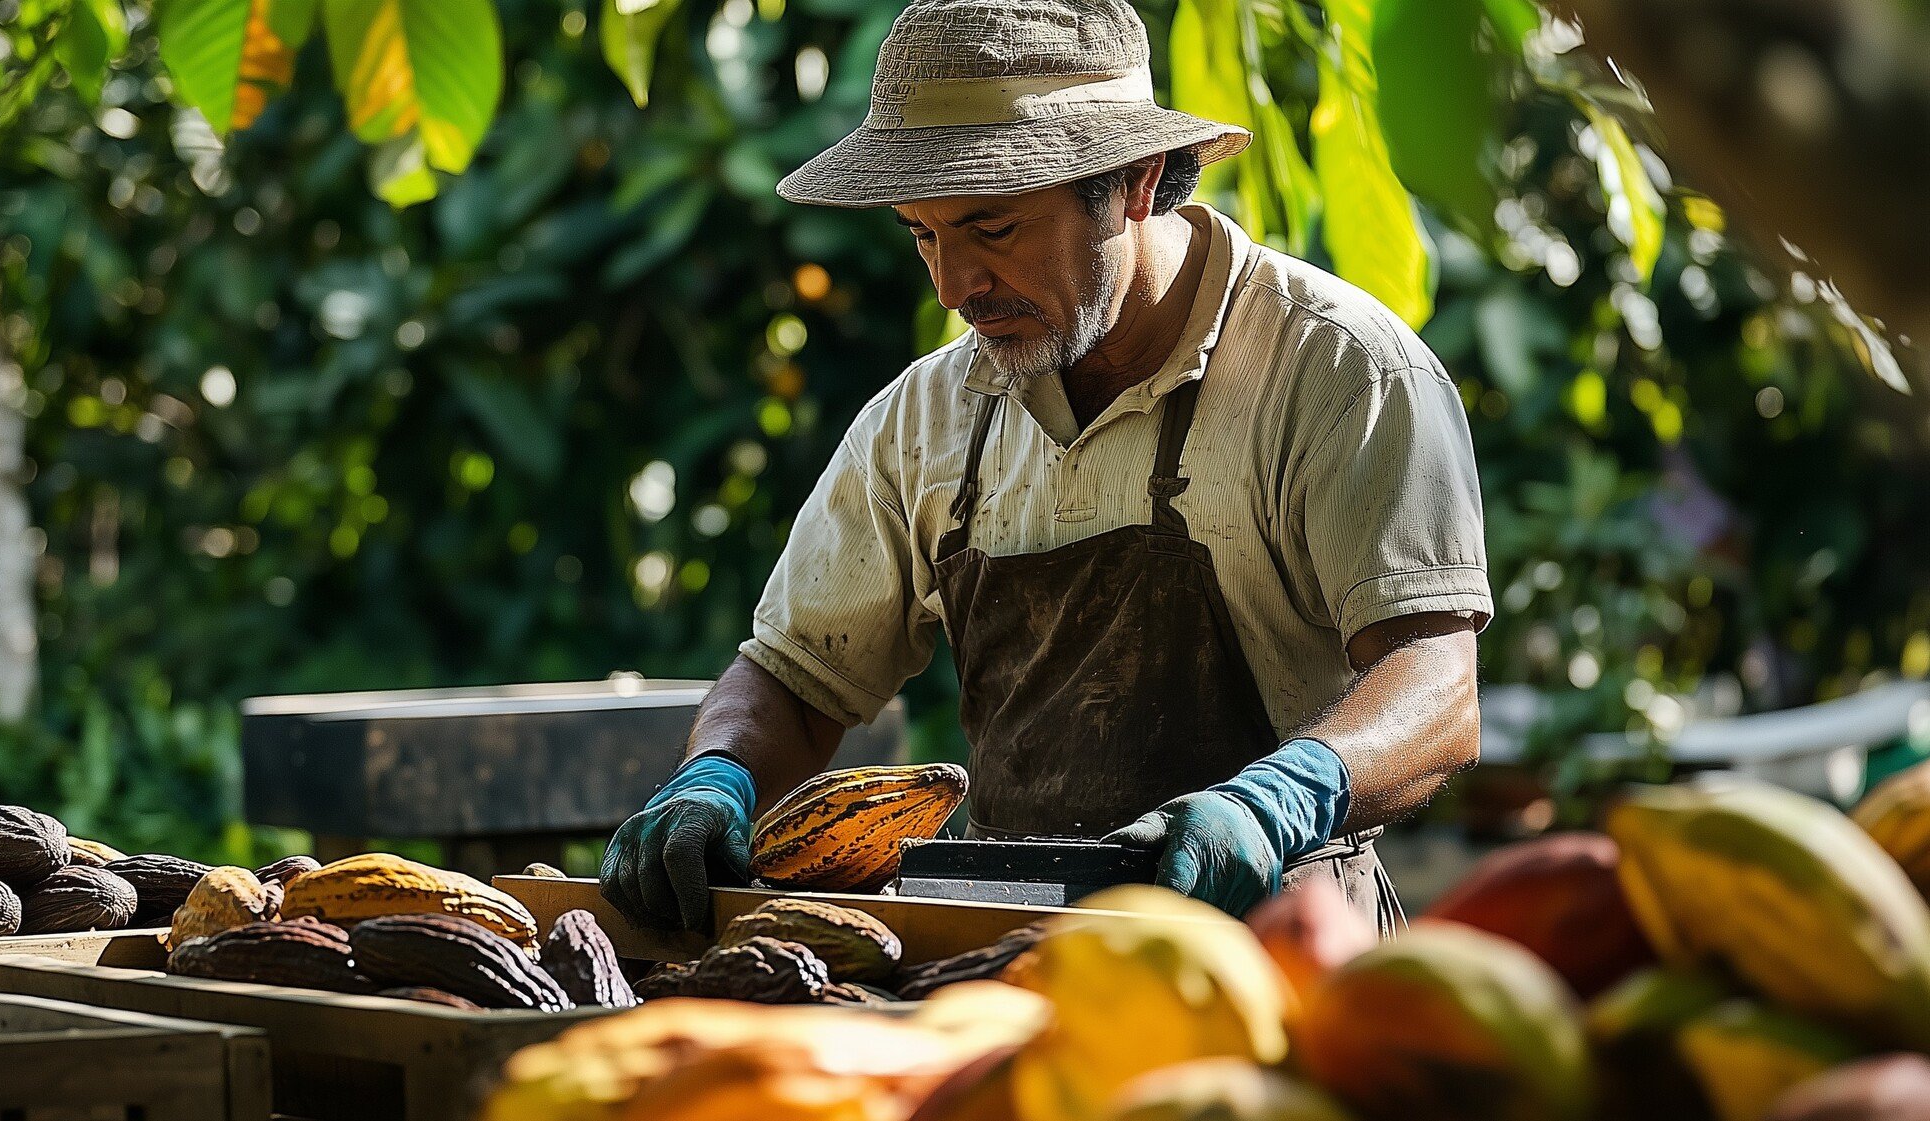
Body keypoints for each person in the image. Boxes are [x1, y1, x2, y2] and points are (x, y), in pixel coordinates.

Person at [599, 0, 1492, 933]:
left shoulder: (1341, 372)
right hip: (1010, 948)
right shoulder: (927, 418)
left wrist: (1279, 799)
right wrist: (718, 775)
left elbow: (1437, 682)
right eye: (923, 235)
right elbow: (792, 679)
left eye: (992, 229)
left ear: (1136, 181)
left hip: (1280, 949)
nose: (954, 288)